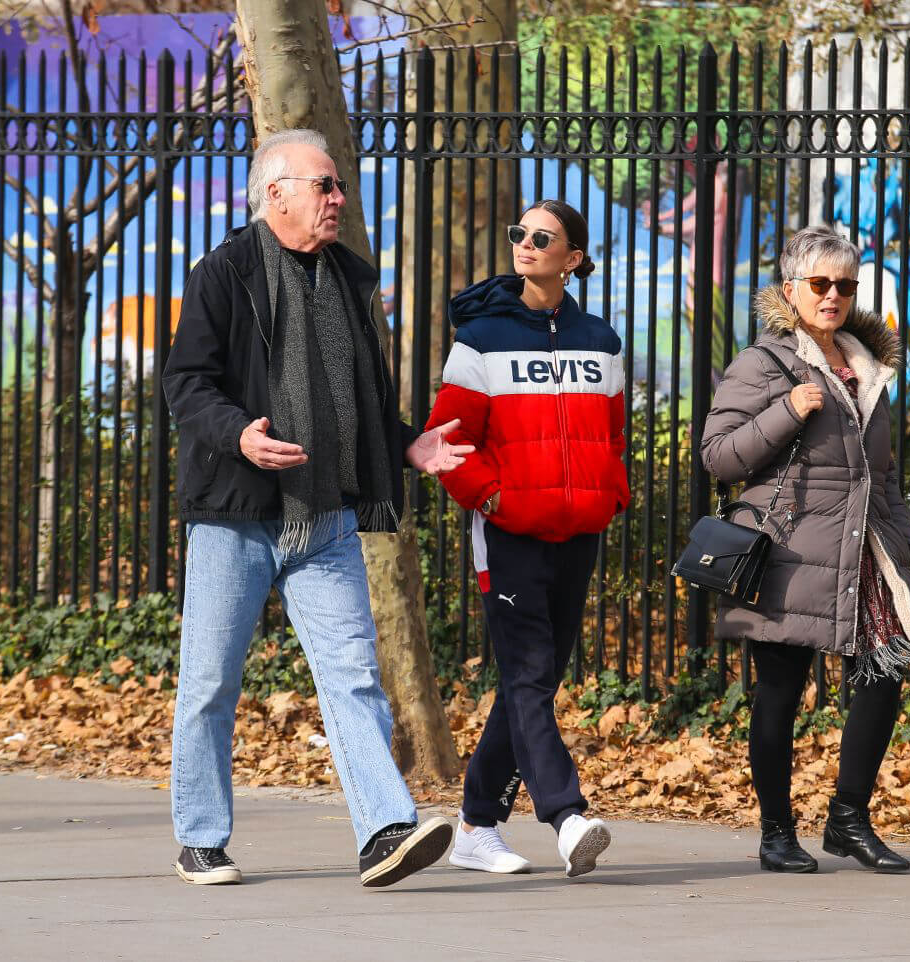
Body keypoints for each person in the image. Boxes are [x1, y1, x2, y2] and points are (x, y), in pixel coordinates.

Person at [163, 128, 474, 888]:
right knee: (210, 683)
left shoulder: (346, 280)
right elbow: (186, 384)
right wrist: (239, 436)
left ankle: (383, 831)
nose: (338, 199)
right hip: (236, 515)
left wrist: (406, 445)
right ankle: (200, 836)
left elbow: (355, 399)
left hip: (326, 514)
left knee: (352, 678)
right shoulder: (224, 274)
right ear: (277, 193)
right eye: (324, 186)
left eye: (337, 187)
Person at [701, 225, 910, 874]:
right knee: (779, 694)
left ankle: (848, 820)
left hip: (867, 553)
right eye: (820, 284)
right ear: (792, 288)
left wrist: (903, 541)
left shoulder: (867, 364)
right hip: (790, 553)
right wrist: (785, 413)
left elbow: (880, 473)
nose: (833, 296)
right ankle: (777, 832)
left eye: (845, 285)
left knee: (884, 675)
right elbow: (718, 457)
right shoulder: (764, 363)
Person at [425, 200, 630, 877]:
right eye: (518, 233)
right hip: (509, 531)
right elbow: (448, 445)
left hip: (578, 531)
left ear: (572, 259)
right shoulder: (480, 340)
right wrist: (493, 498)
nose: (524, 244)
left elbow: (613, 434)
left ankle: (477, 827)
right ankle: (567, 818)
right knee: (529, 676)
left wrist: (612, 492)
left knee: (531, 682)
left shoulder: (601, 340)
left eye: (542, 238)